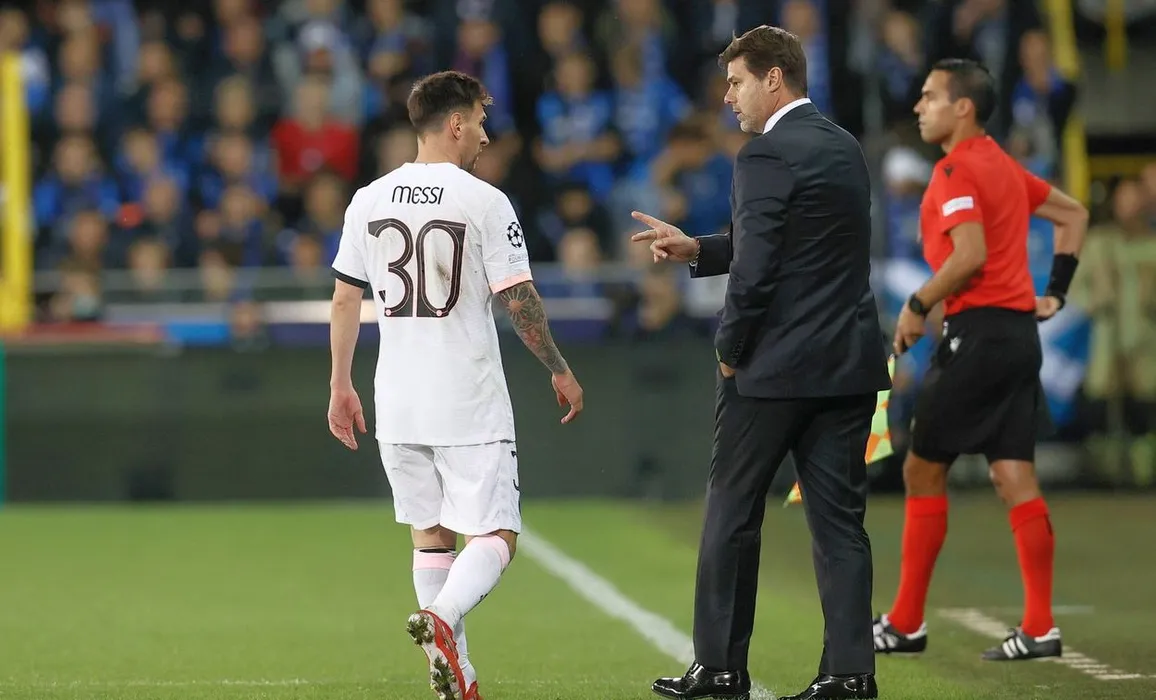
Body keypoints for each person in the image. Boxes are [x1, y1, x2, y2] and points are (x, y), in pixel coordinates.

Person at [632, 25, 891, 700]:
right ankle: (850, 674)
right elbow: (799, 244)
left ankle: (720, 668)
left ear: (774, 78)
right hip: (848, 363)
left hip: (774, 368)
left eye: (737, 82)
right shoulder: (844, 146)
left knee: (731, 512)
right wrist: (699, 249)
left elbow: (757, 270)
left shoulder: (764, 154)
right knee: (840, 524)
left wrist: (729, 349)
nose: (728, 97)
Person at [326, 70, 585, 700]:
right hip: (466, 396)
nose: (486, 136)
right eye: (481, 122)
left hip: (397, 399)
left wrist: (339, 384)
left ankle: (455, 677)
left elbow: (345, 299)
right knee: (497, 535)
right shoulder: (484, 201)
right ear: (456, 123)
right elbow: (518, 299)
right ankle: (442, 618)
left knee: (430, 536)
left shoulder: (367, 199)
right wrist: (557, 366)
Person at [873, 58, 1088, 661]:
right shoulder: (1002, 165)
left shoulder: (956, 169)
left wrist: (918, 303)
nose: (919, 106)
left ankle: (905, 623)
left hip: (978, 338)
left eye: (930, 96)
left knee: (922, 469)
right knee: (1013, 475)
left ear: (962, 108)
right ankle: (1040, 627)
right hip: (1019, 338)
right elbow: (1074, 215)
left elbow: (969, 255)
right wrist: (1056, 291)